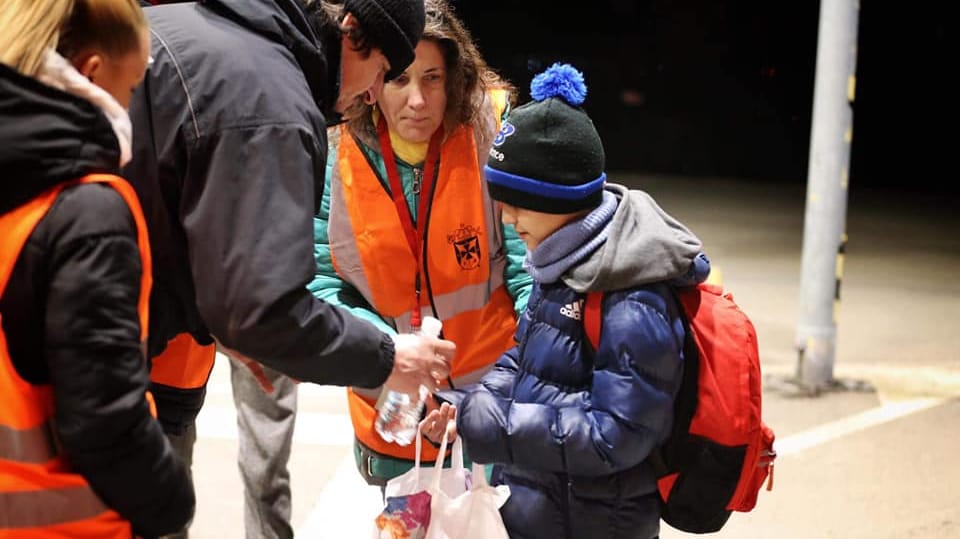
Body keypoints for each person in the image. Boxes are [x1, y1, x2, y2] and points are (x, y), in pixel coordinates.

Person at [124, 1, 455, 537]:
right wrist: (388, 356)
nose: (374, 94)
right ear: (352, 32)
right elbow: (261, 310)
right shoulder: (269, 99)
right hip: (76, 351)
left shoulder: (209, 33)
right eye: (382, 72)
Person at [226, 0, 532, 534]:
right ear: (373, 83)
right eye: (400, 79)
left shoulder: (492, 139)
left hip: (494, 410)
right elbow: (319, 282)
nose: (418, 100)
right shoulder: (332, 152)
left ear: (456, 78)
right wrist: (391, 355)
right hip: (394, 411)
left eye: (433, 78)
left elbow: (532, 274)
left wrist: (523, 383)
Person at [421, 63, 712, 539]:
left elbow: (615, 433)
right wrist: (462, 406)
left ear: (561, 200)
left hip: (596, 523)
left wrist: (490, 425)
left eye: (518, 202)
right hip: (543, 509)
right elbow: (525, 362)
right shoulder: (562, 261)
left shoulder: (632, 291)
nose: (507, 218)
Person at [0, 0, 195, 537]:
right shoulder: (89, 212)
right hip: (67, 521)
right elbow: (104, 421)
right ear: (91, 73)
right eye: (132, 87)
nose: (131, 106)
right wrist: (172, 501)